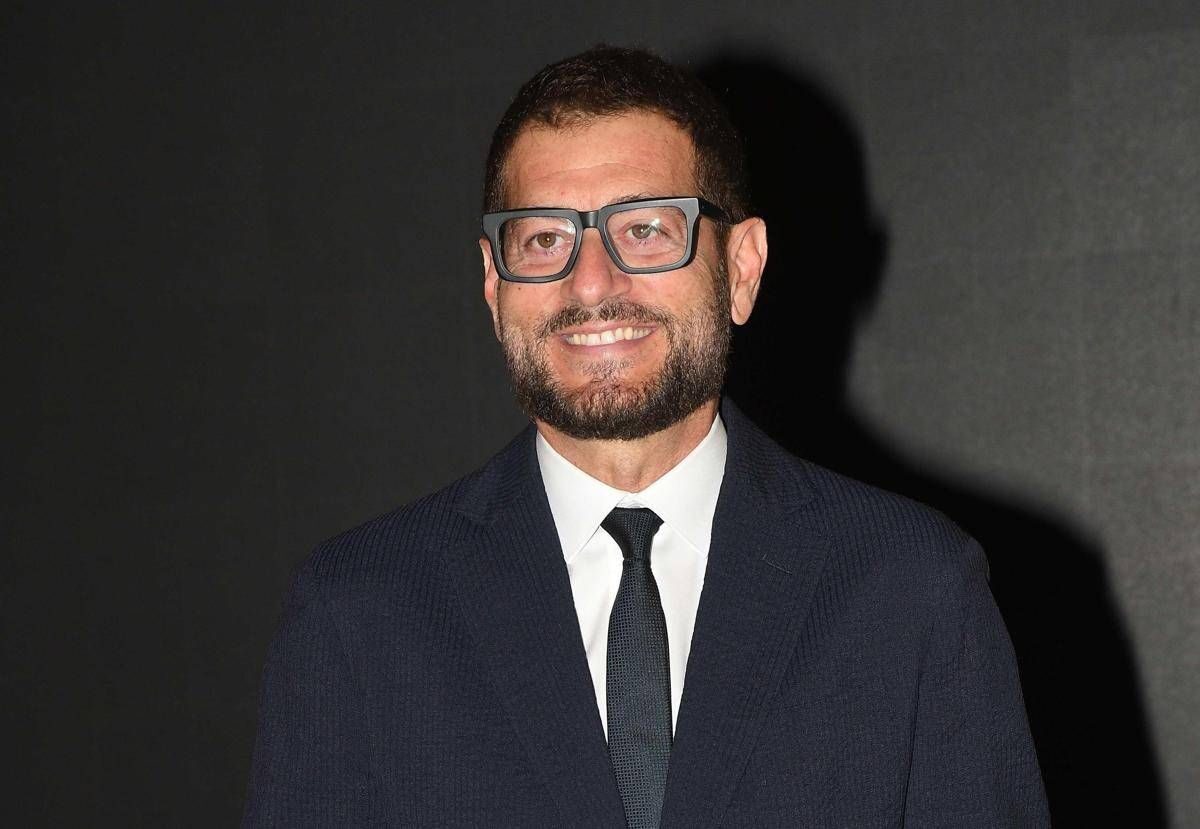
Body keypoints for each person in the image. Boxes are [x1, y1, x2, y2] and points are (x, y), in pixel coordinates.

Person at [243, 45, 1050, 827]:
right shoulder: (360, 612)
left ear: (741, 269)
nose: (592, 282)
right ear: (493, 285)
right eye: (545, 238)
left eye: (645, 230)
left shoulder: (911, 589)